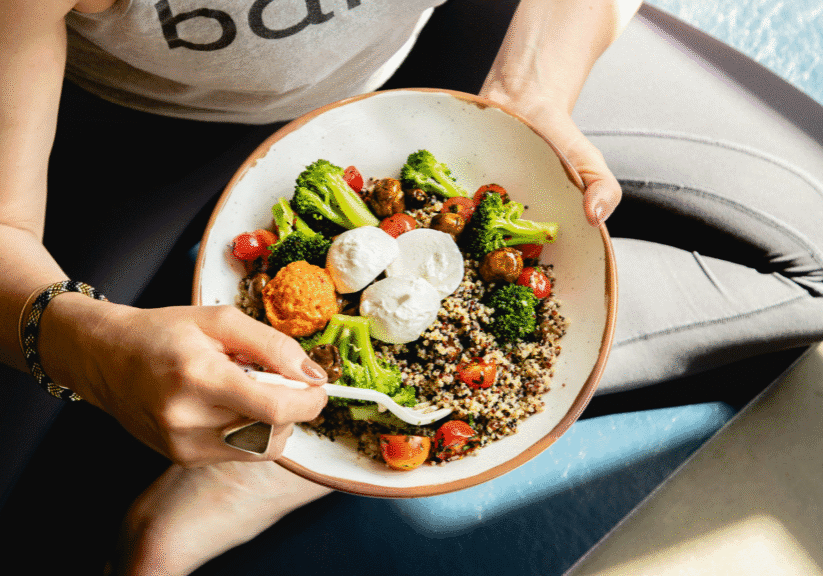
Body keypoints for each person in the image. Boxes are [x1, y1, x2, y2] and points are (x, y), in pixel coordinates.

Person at [1, 0, 822, 574]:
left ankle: (271, 462)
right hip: (148, 125)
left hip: (450, 36)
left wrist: (534, 83)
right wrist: (90, 346)